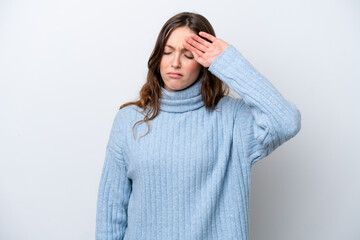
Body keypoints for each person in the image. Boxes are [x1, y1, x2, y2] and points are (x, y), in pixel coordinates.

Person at [95, 11, 301, 240]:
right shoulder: (129, 120)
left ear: (205, 64)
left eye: (188, 55)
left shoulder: (231, 118)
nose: (175, 62)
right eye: (167, 51)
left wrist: (228, 62)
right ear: (157, 57)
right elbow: (111, 213)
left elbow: (286, 122)